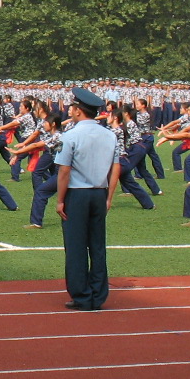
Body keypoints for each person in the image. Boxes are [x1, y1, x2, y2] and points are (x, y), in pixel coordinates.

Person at [53, 88, 120, 311]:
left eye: (72, 107)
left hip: (77, 194)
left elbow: (64, 171)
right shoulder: (110, 135)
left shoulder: (70, 135)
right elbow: (115, 168)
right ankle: (98, 294)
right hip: (99, 192)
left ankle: (81, 295)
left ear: (79, 111)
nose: (70, 111)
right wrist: (109, 197)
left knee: (76, 246)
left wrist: (60, 200)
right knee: (97, 245)